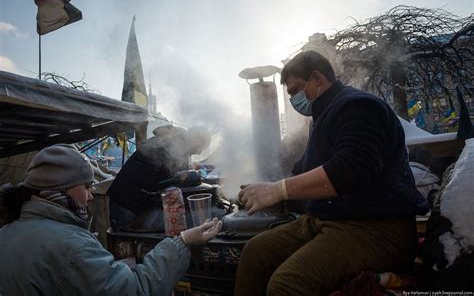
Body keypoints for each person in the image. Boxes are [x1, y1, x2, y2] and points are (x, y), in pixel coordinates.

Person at [235, 51, 429, 295]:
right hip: (328, 220)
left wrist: (278, 190)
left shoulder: (357, 106)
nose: (294, 100)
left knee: (287, 285)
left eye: (295, 90)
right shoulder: (322, 118)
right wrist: (263, 187)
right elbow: (302, 171)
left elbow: (351, 169)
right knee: (255, 253)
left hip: (377, 228)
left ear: (317, 78)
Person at [0, 144, 222, 295]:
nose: (89, 197)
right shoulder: (72, 247)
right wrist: (182, 241)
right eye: (86, 187)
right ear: (61, 189)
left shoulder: (6, 232)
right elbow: (137, 290)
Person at [107, 125, 211, 227]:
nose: (199, 152)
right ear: (196, 140)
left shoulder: (176, 143)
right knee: (127, 238)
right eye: (201, 147)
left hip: (135, 200)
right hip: (126, 201)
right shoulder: (173, 145)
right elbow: (177, 179)